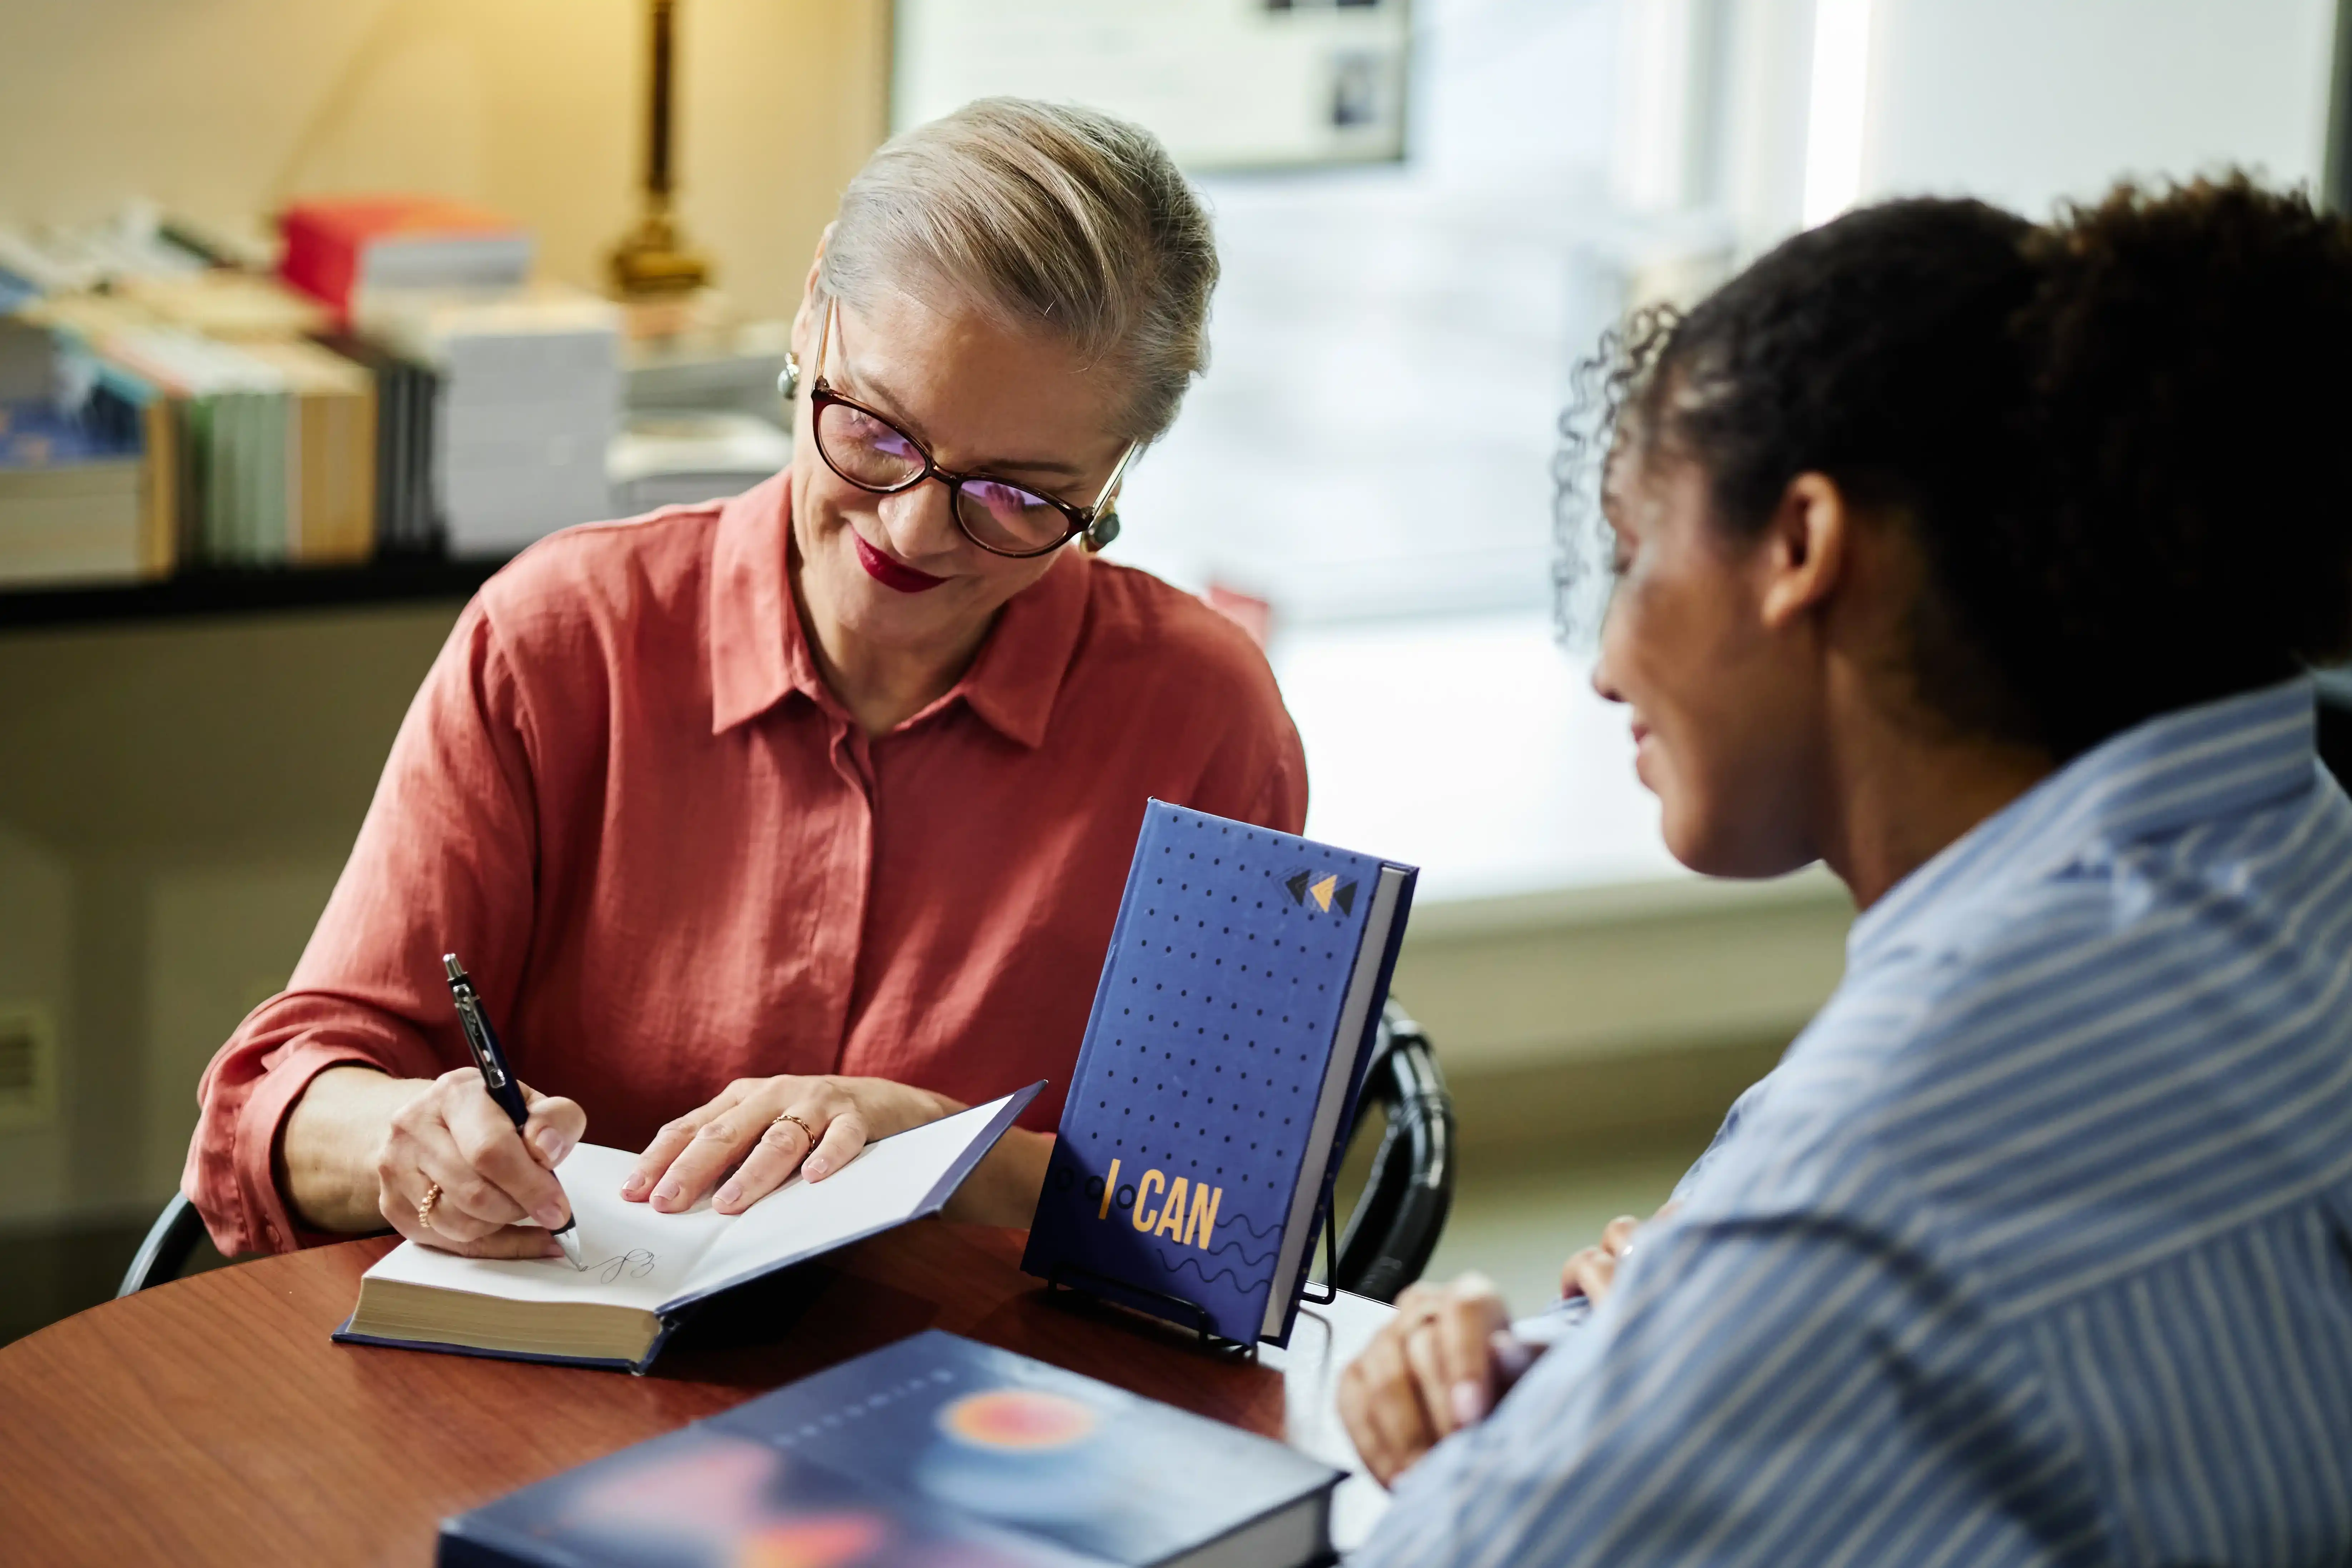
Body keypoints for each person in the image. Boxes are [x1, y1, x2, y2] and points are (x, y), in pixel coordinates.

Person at [1340, 176, 2352, 1562]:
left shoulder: (1893, 1166)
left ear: (1801, 547)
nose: (1605, 664)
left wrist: (1570, 1421)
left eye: (1633, 555)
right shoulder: (2291, 840)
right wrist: (1642, 1359)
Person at [184, 99, 1306, 1259]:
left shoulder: (1200, 717)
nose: (913, 533)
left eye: (1019, 497)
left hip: (994, 1408)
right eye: (875, 431)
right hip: (564, 1402)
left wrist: (930, 1147)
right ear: (817, 311)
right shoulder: (565, 640)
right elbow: (271, 1105)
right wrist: (406, 1142)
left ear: (1118, 469)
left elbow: (1223, 1229)